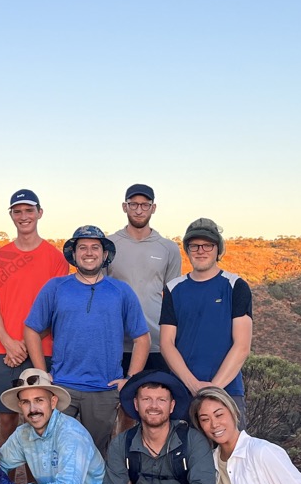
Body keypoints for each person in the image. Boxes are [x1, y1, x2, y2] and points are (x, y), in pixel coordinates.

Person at [23, 225, 150, 454]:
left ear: (104, 255)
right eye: (82, 247)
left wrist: (130, 379)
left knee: (96, 453)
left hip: (104, 390)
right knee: (54, 451)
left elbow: (142, 338)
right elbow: (32, 329)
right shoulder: (56, 288)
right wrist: (42, 374)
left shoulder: (121, 291)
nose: (88, 252)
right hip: (61, 388)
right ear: (74, 254)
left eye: (95, 247)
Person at [0, 189, 71, 444]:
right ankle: (2, 483)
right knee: (6, 422)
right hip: (3, 350)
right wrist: (10, 343)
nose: (24, 216)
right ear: (11, 216)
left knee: (40, 424)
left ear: (39, 213)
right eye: (17, 211)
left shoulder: (56, 258)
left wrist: (26, 343)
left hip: (43, 349)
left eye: (29, 210)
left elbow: (56, 309)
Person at [160, 219, 254, 424]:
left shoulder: (236, 286)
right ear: (187, 249)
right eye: (194, 245)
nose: (200, 251)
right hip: (181, 393)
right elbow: (167, 343)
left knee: (229, 455)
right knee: (182, 454)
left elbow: (242, 345)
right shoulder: (173, 289)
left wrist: (213, 389)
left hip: (227, 391)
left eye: (208, 245)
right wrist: (193, 385)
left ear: (218, 248)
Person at [108, 184, 182, 374]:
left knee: (155, 402)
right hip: (117, 344)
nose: (139, 210)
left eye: (145, 205)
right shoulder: (109, 245)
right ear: (125, 207)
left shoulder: (168, 248)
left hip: (157, 344)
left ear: (153, 208)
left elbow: (173, 298)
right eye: (133, 205)